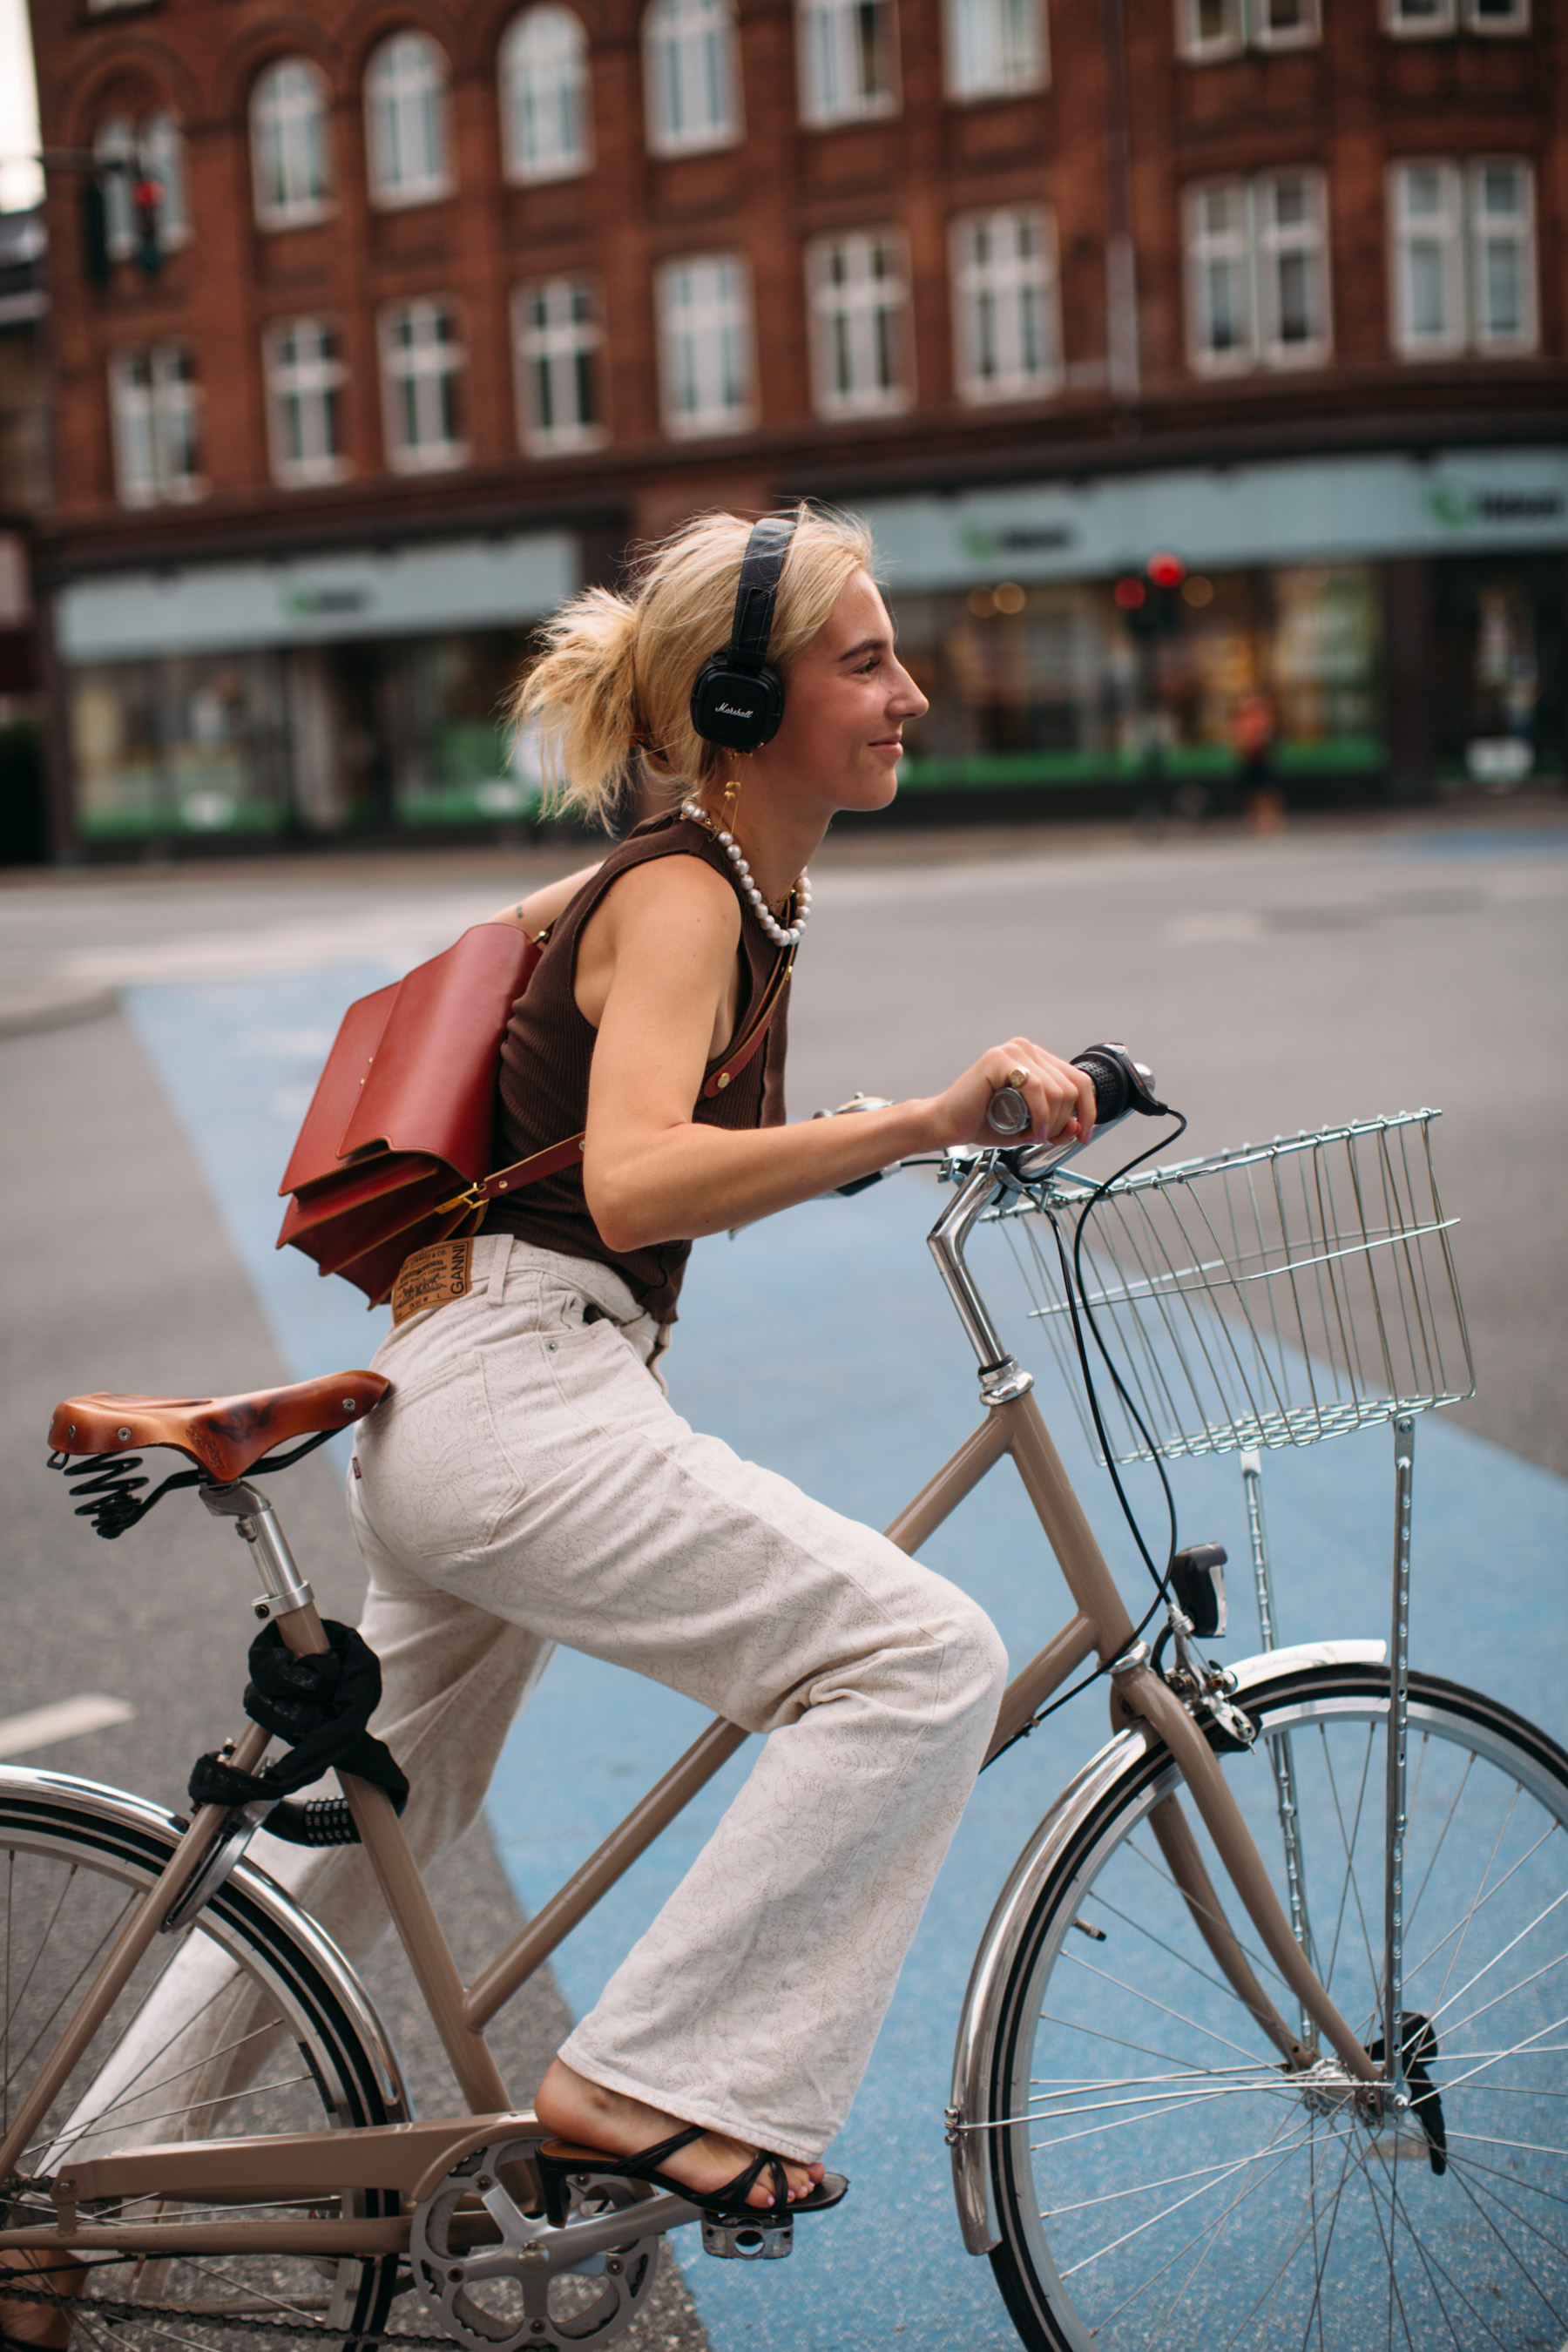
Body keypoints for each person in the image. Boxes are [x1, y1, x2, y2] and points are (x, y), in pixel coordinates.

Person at [44, 505, 1095, 2242]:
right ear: (746, 702)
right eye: (867, 661)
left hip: (471, 1392)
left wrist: (861, 1139)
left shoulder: (708, 881)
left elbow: (557, 1034)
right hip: (525, 1392)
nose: (912, 692)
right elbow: (632, 1179)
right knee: (921, 1655)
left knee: (359, 1830)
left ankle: (77, 2205)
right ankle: (652, 2083)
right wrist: (914, 1117)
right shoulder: (691, 893)